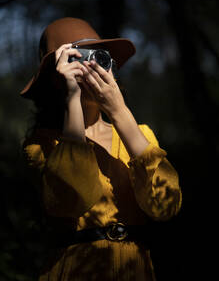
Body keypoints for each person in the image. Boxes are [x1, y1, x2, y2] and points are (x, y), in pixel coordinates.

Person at [21, 17, 182, 281]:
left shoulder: (140, 135)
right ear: (55, 78)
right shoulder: (42, 146)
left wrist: (119, 110)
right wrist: (72, 97)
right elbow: (72, 200)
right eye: (76, 59)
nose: (90, 68)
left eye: (97, 58)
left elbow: (165, 205)